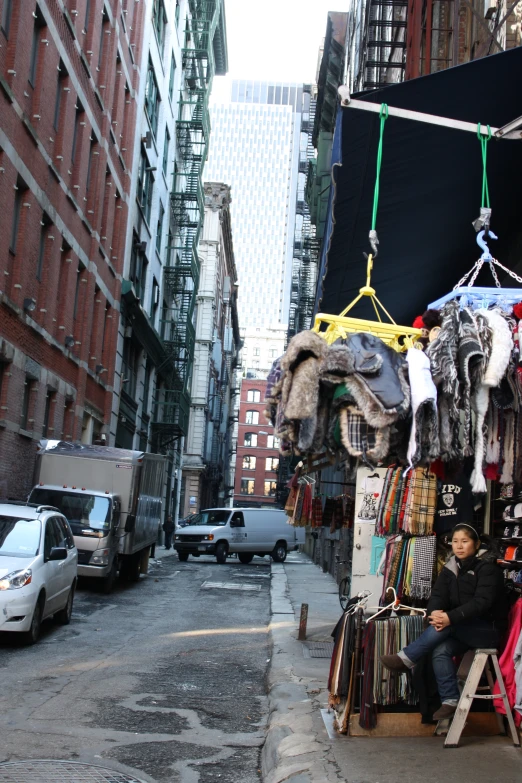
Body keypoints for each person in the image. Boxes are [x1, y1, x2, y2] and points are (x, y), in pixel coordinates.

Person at [380, 523, 507, 721]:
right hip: (462, 630)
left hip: (487, 630)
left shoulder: (488, 569)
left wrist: (450, 618)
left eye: (465, 541)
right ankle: (450, 700)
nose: (459, 546)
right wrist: (435, 614)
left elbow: (482, 603)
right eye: (455, 541)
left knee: (446, 628)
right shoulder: (450, 568)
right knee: (440, 650)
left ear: (476, 544)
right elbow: (438, 595)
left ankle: (407, 658)